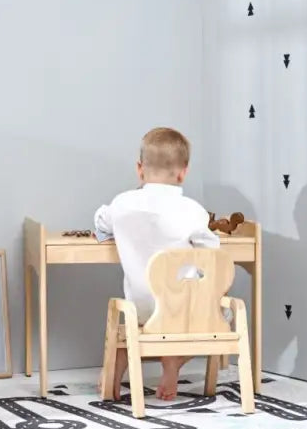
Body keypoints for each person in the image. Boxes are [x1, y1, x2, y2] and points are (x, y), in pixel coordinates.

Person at [93, 127, 219, 401]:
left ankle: (115, 371)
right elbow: (212, 259)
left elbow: (101, 221)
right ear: (183, 171)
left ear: (140, 169)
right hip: (180, 309)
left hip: (139, 309)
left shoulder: (123, 204)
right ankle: (172, 361)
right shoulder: (193, 211)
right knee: (221, 315)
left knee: (128, 328)